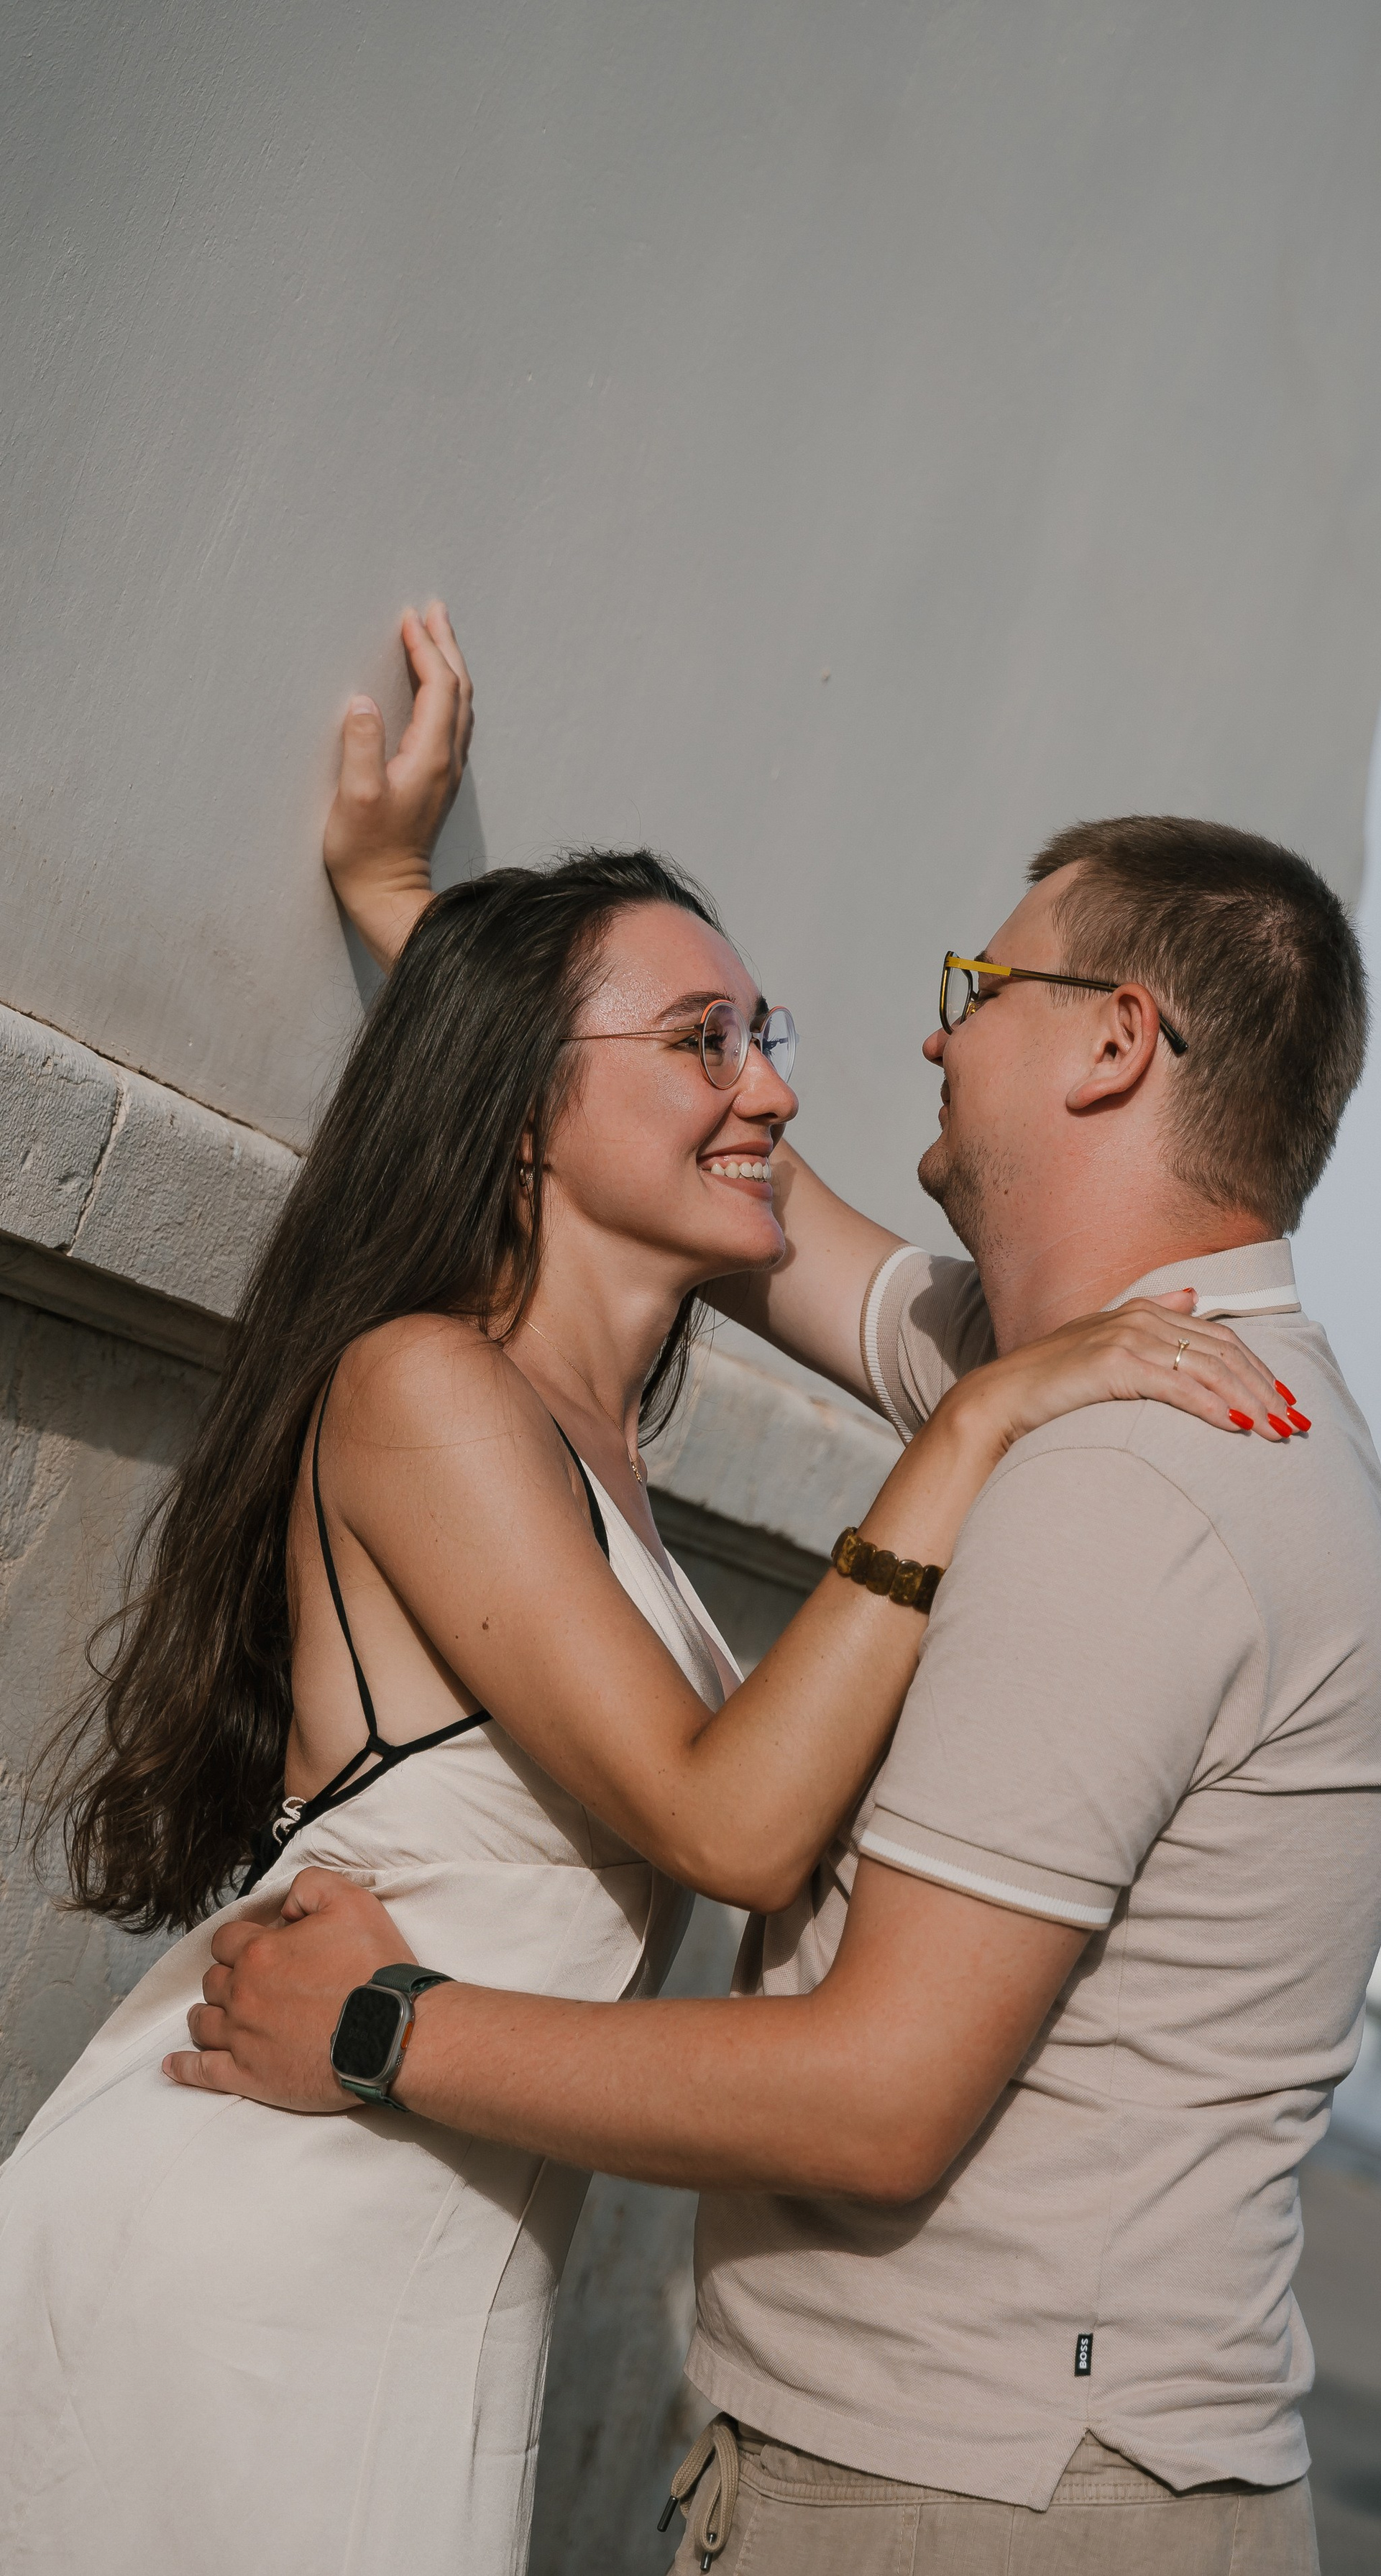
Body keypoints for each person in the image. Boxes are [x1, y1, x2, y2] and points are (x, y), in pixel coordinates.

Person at [0, 605, 1280, 2576]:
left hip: (425, 2275)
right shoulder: (424, 1386)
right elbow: (729, 1824)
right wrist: (963, 1435)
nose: (771, 1085)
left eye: (764, 1033)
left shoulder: (592, 1441)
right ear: (523, 1108)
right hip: (255, 2258)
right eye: (706, 1040)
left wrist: (401, 893)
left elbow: (629, 1132)